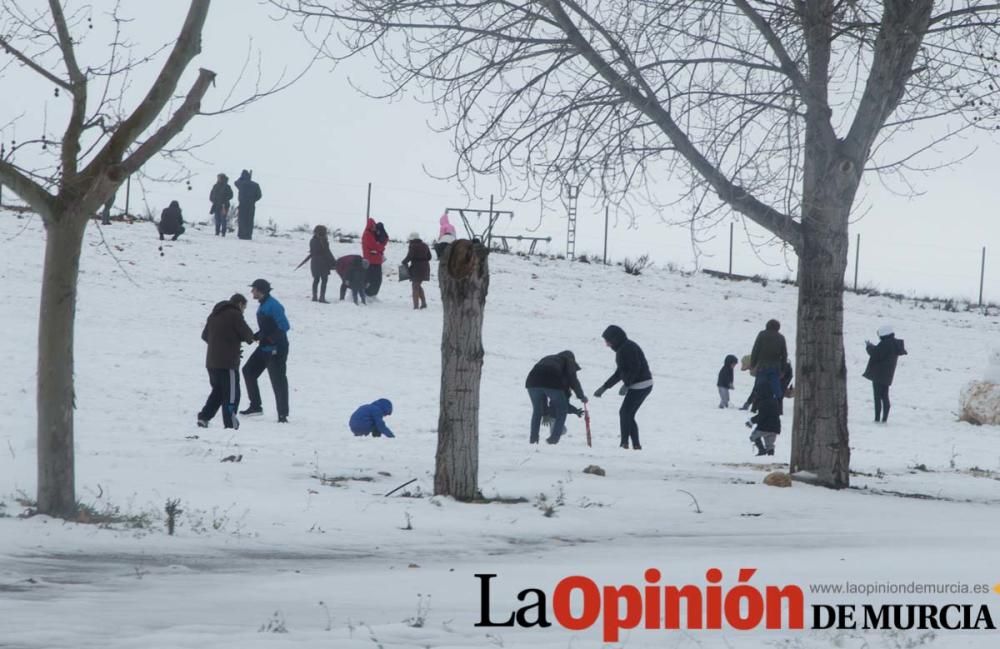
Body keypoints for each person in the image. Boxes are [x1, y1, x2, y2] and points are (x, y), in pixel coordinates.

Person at [197, 293, 256, 429]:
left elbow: (205, 336)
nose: (243, 311)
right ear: (240, 304)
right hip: (228, 363)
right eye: (244, 308)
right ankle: (231, 425)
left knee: (217, 392)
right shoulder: (235, 314)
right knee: (231, 395)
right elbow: (247, 335)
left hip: (211, 362)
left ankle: (204, 417)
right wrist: (233, 345)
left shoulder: (214, 314)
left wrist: (219, 344)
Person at [593, 325, 653, 450]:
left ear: (615, 339)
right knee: (628, 414)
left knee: (625, 413)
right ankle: (635, 445)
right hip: (642, 384)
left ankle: (624, 443)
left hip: (641, 385)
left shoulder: (627, 348)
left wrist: (627, 385)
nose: (607, 345)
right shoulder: (624, 347)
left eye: (608, 341)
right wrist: (605, 387)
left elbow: (635, 367)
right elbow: (620, 372)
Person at [240, 279, 291, 422]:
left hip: (276, 349)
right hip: (264, 347)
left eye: (254, 289)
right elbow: (268, 327)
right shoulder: (264, 305)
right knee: (248, 371)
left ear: (260, 290)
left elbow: (284, 326)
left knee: (278, 380)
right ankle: (256, 406)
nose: (252, 292)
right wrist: (255, 336)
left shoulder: (274, 306)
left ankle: (282, 415)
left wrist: (269, 339)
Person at [525, 351, 588, 444]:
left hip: (532, 381)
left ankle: (533, 439)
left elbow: (543, 392)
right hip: (551, 380)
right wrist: (581, 396)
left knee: (537, 411)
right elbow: (573, 379)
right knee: (562, 409)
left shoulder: (549, 358)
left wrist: (545, 412)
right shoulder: (568, 360)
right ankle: (553, 439)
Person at [863, 324, 907, 423]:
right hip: (887, 375)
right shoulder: (894, 344)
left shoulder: (885, 344)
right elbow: (880, 352)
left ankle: (877, 419)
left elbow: (875, 354)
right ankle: (884, 419)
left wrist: (869, 346)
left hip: (878, 374)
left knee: (877, 397)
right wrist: (873, 347)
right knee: (885, 396)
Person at [749, 319, 788, 401]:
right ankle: (778, 405)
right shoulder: (781, 338)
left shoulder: (762, 335)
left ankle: (756, 404)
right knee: (776, 388)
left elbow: (756, 349)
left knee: (759, 386)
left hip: (762, 366)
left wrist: (752, 364)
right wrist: (783, 370)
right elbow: (784, 355)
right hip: (775, 367)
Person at [298, 225, 336, 302]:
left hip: (314, 262)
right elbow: (327, 252)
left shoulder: (312, 240)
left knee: (316, 279)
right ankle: (322, 298)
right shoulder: (324, 241)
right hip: (323, 262)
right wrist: (334, 262)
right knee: (324, 280)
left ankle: (314, 297)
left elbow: (314, 251)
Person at [746, 380, 780, 456]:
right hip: (775, 427)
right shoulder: (774, 401)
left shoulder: (763, 402)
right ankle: (771, 455)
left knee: (753, 436)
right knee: (770, 443)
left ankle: (762, 450)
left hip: (765, 427)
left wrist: (751, 421)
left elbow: (762, 416)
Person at [402, 232, 432, 309]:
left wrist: (404, 262)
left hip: (416, 268)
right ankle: (424, 303)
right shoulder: (425, 245)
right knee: (417, 285)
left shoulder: (413, 246)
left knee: (415, 286)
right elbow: (429, 257)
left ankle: (416, 306)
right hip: (425, 267)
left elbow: (409, 256)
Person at [361, 217, 387, 297]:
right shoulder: (367, 234)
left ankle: (372, 295)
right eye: (373, 226)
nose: (374, 227)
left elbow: (382, 242)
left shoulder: (374, 234)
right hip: (370, 261)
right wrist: (381, 248)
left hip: (376, 260)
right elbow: (374, 246)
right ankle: (367, 294)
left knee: (377, 279)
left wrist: (379, 247)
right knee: (370, 279)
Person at [234, 170, 262, 240]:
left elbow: (235, 182)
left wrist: (241, 178)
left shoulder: (241, 183)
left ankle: (241, 234)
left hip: (242, 204)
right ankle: (248, 235)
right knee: (249, 220)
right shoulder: (255, 185)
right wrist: (253, 200)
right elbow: (259, 195)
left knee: (242, 219)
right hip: (251, 205)